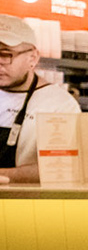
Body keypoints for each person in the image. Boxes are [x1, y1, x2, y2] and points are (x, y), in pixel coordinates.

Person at [0, 15, 81, 185]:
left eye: (5, 55)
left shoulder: (58, 105)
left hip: (24, 200)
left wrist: (5, 175)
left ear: (33, 58)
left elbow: (60, 168)